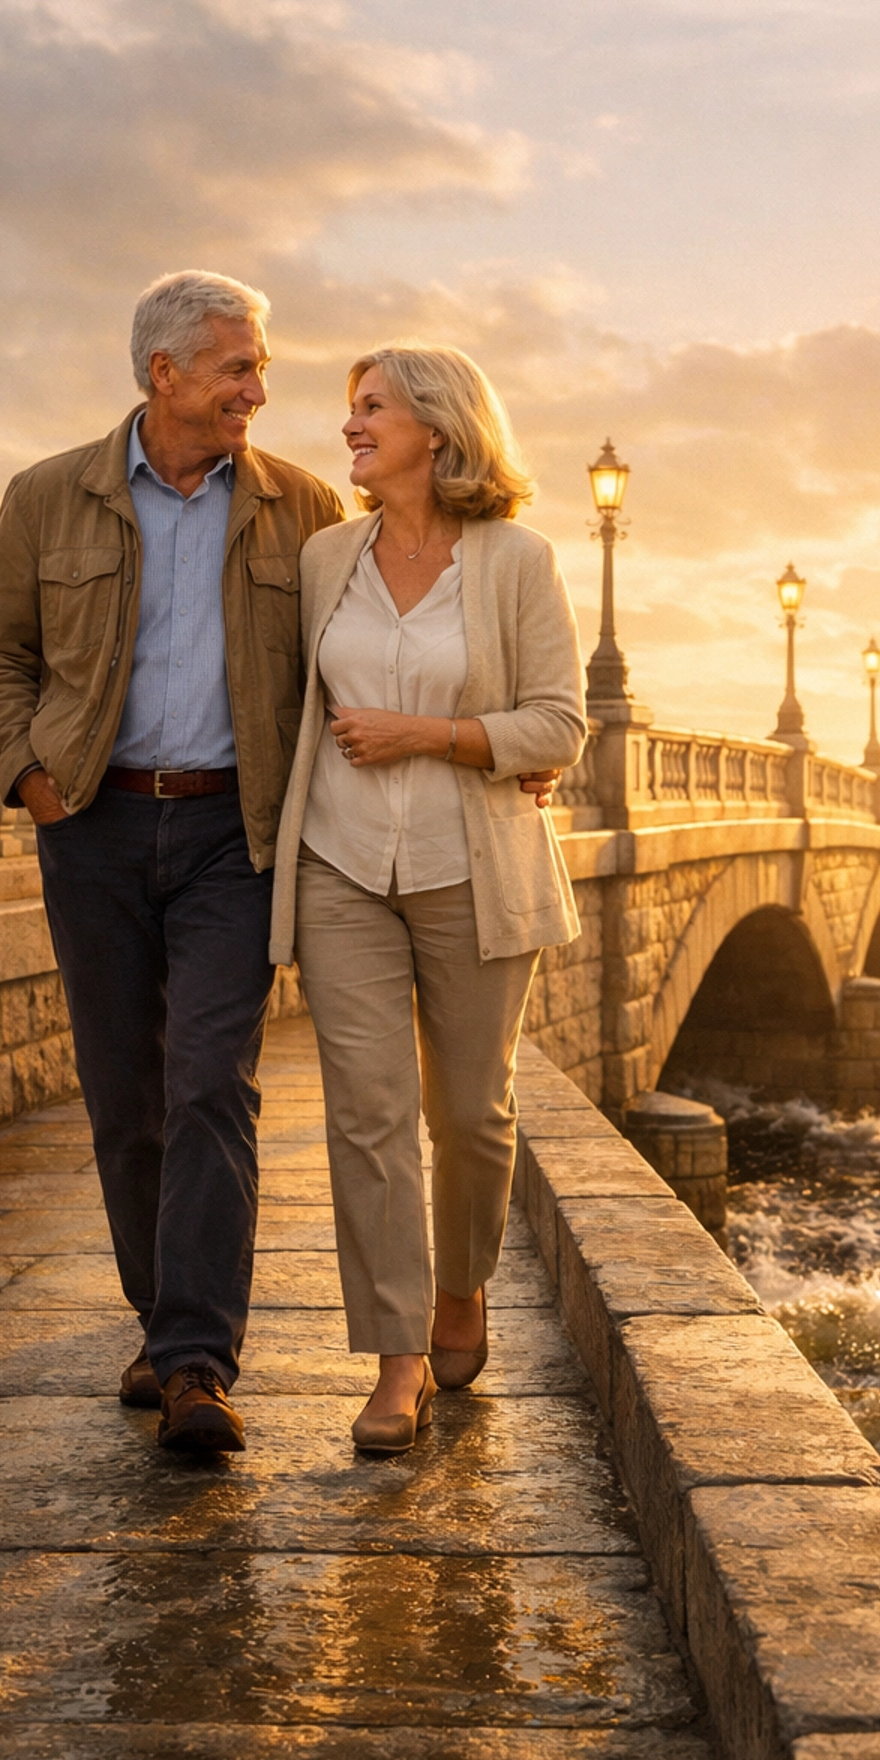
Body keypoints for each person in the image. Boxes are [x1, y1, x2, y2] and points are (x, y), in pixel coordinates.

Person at [0, 269, 346, 1455]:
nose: (259, 389)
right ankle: (157, 1320)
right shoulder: (46, 497)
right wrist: (30, 778)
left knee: (210, 1084)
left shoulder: (308, 507)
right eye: (237, 366)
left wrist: (496, 741)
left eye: (261, 365)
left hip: (238, 832)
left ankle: (194, 1362)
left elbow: (363, 660)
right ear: (162, 372)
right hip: (97, 825)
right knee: (125, 1094)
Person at [269, 344, 587, 1452]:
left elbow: (559, 724)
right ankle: (397, 1358)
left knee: (468, 1114)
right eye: (349, 410)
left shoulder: (518, 561)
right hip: (340, 865)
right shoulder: (323, 558)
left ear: (437, 430)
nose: (350, 427)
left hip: (473, 870)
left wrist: (437, 737)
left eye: (370, 409)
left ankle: (463, 1287)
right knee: (366, 1112)